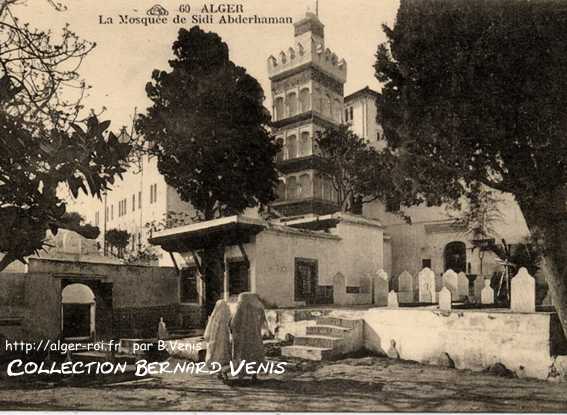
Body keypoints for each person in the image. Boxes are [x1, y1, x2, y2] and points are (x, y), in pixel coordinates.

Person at [230, 292, 269, 382]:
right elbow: (263, 322)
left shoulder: (241, 308)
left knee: (243, 354)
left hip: (243, 336)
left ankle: (242, 374)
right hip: (255, 336)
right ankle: (254, 375)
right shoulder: (258, 309)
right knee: (254, 354)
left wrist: (234, 332)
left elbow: (234, 322)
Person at [203, 299, 232, 380]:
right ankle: (223, 373)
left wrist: (209, 337)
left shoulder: (215, 316)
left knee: (217, 356)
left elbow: (212, 329)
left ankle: (220, 372)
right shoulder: (227, 315)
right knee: (224, 356)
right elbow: (230, 325)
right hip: (224, 338)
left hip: (217, 339)